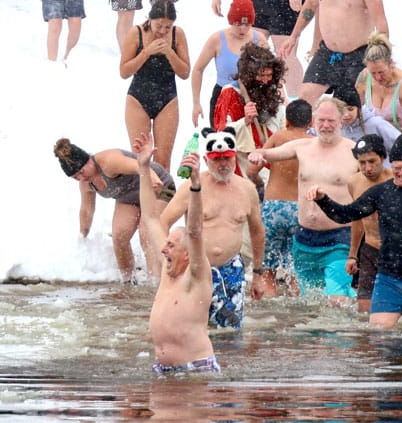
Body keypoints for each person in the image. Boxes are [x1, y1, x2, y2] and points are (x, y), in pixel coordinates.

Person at [306, 131, 402, 325]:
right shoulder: (381, 192)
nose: (401, 173)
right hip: (389, 279)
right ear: (391, 165)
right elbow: (346, 214)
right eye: (397, 168)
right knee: (378, 333)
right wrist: (323, 199)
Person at [248, 97, 359, 304]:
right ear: (314, 120)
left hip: (340, 237)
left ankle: (351, 310)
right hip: (305, 238)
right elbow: (270, 153)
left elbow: (376, 175)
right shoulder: (302, 146)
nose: (325, 126)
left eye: (331, 121)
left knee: (337, 301)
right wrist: (258, 154)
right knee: (308, 302)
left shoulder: (354, 151)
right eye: (321, 120)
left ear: (341, 120)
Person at [160, 126, 266, 328]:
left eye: (227, 158)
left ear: (235, 157)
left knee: (229, 332)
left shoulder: (247, 189)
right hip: (195, 267)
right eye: (217, 159)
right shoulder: (192, 187)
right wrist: (168, 263)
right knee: (190, 327)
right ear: (206, 159)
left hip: (231, 268)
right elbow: (164, 221)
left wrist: (258, 274)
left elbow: (257, 231)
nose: (223, 164)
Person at [133, 132, 220, 375]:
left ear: (187, 255)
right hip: (163, 370)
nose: (164, 249)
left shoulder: (196, 276)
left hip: (196, 370)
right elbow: (150, 217)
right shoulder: (167, 269)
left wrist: (195, 186)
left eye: (171, 245)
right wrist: (143, 167)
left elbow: (195, 231)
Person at [280, 0, 389, 104]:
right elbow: (311, 5)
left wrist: (382, 57)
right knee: (304, 99)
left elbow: (380, 22)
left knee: (348, 107)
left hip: (358, 54)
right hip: (328, 52)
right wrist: (294, 35)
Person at [53, 136, 175, 281]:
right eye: (75, 177)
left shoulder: (108, 161)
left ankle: (156, 281)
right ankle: (128, 281)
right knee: (119, 236)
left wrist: (154, 180)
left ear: (88, 160)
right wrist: (82, 236)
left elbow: (139, 166)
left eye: (81, 172)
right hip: (129, 198)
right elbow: (86, 210)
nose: (81, 178)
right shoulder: (85, 183)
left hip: (157, 186)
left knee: (146, 232)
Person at [245, 98, 313, 297]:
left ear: (287, 121)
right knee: (296, 271)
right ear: (311, 122)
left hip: (274, 207)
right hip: (301, 210)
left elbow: (251, 170)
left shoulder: (278, 137)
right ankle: (297, 309)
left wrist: (260, 183)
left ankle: (270, 307)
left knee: (267, 270)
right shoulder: (313, 143)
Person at [120, 0, 191, 173]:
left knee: (162, 162)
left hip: (167, 100)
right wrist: (146, 52)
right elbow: (124, 72)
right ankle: (142, 190)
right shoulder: (136, 33)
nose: (163, 31)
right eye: (158, 26)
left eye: (167, 27)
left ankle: (162, 191)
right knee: (140, 160)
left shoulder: (177, 34)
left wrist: (170, 53)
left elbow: (185, 73)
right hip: (138, 98)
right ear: (150, 19)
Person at [212, 41, 286, 176]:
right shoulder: (231, 93)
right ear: (249, 74)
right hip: (244, 164)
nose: (265, 80)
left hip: (271, 160)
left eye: (269, 75)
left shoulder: (271, 89)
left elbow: (281, 126)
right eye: (261, 75)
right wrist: (245, 121)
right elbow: (221, 134)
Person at [191, 0, 265, 126]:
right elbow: (198, 69)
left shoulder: (258, 39)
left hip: (251, 97)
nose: (242, 29)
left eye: (247, 24)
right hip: (223, 95)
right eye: (238, 24)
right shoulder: (217, 39)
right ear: (231, 22)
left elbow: (272, 70)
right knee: (223, 137)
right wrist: (196, 103)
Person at [344, 135, 391, 314]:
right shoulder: (354, 182)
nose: (368, 168)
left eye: (372, 161)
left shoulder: (395, 181)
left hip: (395, 252)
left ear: (383, 158)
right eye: (362, 163)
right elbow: (358, 220)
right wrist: (352, 255)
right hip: (369, 250)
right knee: (364, 310)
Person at [354, 32, 402, 134]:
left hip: (401, 137)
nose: (378, 77)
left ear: (391, 64)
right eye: (373, 73)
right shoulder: (364, 77)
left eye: (381, 72)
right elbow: (352, 108)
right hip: (374, 138)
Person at [332, 84, 400, 151]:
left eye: (350, 109)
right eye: (341, 110)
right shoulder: (334, 128)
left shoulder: (375, 124)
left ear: (358, 109)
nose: (346, 114)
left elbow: (401, 145)